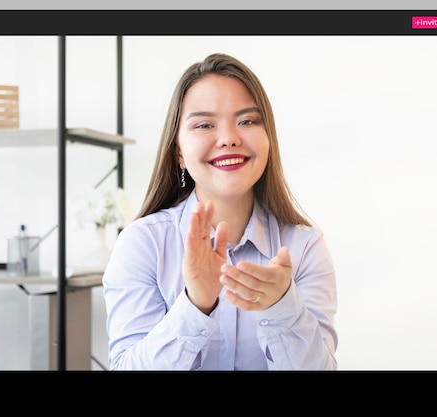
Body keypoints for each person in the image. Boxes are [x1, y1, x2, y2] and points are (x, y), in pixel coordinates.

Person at [103, 53, 338, 371]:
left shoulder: (305, 246)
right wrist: (195, 305)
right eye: (204, 125)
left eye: (247, 121)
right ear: (179, 153)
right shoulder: (142, 243)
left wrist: (284, 308)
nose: (229, 138)